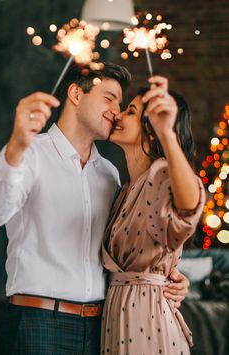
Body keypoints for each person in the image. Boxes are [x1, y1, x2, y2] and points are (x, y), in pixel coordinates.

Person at [0, 63, 189, 355]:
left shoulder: (110, 174)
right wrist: (17, 146)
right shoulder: (29, 152)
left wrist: (169, 277)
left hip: (104, 327)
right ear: (75, 94)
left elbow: (123, 251)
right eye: (109, 98)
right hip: (40, 321)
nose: (116, 111)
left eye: (121, 104)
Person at [101, 76, 205, 355]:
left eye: (131, 112)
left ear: (151, 129)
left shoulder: (161, 174)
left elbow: (187, 209)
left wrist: (167, 134)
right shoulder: (123, 189)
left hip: (149, 323)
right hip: (116, 319)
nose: (118, 115)